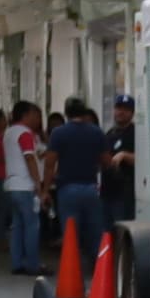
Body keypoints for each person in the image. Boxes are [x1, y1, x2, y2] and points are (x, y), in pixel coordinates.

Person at [46, 97, 110, 277]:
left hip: (67, 189)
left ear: (66, 113)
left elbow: (50, 163)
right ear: (84, 111)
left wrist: (44, 189)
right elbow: (107, 161)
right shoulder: (96, 132)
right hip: (91, 188)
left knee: (70, 232)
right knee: (95, 231)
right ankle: (99, 271)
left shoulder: (58, 133)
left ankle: (72, 272)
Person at [0, 101, 47, 274]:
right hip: (25, 186)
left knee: (17, 226)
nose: (38, 119)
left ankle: (17, 263)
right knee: (32, 226)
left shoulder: (9, 132)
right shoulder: (25, 133)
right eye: (36, 115)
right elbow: (29, 158)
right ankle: (33, 265)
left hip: (11, 185)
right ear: (26, 115)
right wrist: (38, 185)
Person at [104, 92, 140, 227]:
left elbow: (143, 161)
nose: (121, 112)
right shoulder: (110, 133)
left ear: (132, 113)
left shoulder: (136, 133)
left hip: (125, 194)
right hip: (107, 193)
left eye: (126, 109)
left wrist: (124, 155)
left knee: (121, 230)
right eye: (119, 108)